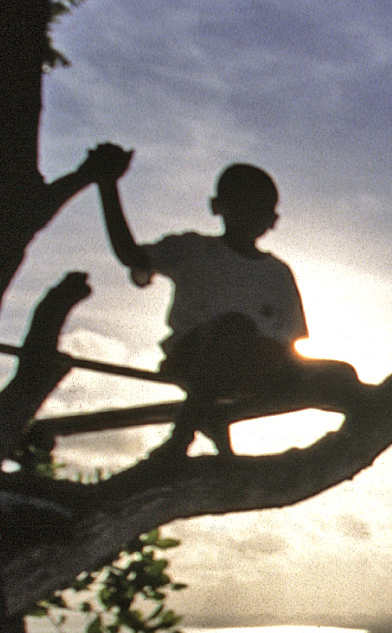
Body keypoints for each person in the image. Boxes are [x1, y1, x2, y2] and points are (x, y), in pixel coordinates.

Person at [88, 144, 366, 455]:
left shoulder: (278, 272)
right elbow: (131, 255)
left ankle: (335, 451)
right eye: (242, 204)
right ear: (217, 206)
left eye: (258, 208)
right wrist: (107, 186)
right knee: (235, 328)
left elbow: (288, 344)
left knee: (342, 373)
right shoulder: (192, 249)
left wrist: (296, 372)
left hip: (259, 369)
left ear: (272, 219)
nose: (250, 215)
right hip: (194, 358)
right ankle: (181, 439)